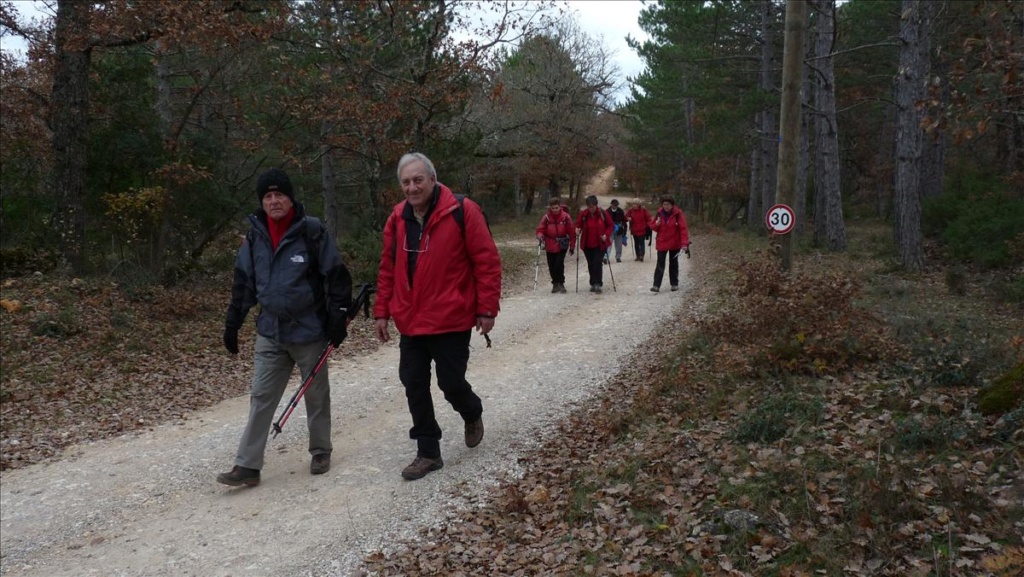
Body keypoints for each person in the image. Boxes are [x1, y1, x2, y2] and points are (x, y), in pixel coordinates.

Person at [218, 167, 353, 487]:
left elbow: (336, 276)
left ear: (291, 198)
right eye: (268, 196)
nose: (274, 200)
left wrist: (339, 316)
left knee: (316, 395)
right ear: (261, 202)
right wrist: (233, 322)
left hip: (310, 330)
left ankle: (321, 449)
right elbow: (243, 283)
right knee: (261, 395)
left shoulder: (312, 231)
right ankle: (247, 465)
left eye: (280, 195)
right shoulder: (254, 238)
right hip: (271, 331)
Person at [374, 152, 502, 481]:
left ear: (432, 179)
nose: (412, 187)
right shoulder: (397, 219)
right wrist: (381, 312)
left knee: (451, 383)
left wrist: (487, 308)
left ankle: (471, 412)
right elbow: (388, 267)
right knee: (413, 383)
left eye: (418, 180)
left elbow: (486, 260)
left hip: (452, 317)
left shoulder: (462, 211)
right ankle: (428, 451)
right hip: (412, 320)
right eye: (406, 182)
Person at [535, 197, 576, 293]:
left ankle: (561, 283)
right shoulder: (547, 217)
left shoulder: (566, 217)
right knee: (551, 265)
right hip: (550, 244)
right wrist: (540, 236)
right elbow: (540, 229)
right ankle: (555, 283)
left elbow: (571, 232)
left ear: (559, 207)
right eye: (552, 208)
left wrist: (572, 245)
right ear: (550, 208)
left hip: (562, 244)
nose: (554, 210)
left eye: (556, 208)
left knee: (559, 263)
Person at [650, 195, 690, 293]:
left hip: (674, 243)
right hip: (662, 242)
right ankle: (656, 285)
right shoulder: (659, 213)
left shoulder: (678, 214)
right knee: (660, 264)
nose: (666, 206)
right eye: (664, 204)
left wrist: (684, 243)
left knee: (673, 264)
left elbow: (683, 229)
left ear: (672, 205)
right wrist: (657, 224)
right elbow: (652, 226)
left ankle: (674, 284)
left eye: (668, 204)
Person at [575, 195, 613, 294]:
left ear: (596, 205)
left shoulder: (603, 213)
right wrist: (577, 229)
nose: (590, 209)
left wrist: (606, 235)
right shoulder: (584, 214)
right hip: (587, 244)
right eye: (589, 206)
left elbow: (610, 225)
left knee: (597, 262)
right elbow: (578, 224)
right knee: (590, 264)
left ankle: (598, 283)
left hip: (600, 243)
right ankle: (592, 283)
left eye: (592, 206)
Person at [625, 198, 653, 262]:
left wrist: (649, 225)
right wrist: (628, 218)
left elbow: (649, 218)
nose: (634, 205)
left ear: (639, 204)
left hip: (642, 229)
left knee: (641, 243)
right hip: (634, 230)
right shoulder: (631, 210)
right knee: (636, 243)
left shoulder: (643, 210)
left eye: (635, 204)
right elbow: (626, 217)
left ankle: (641, 255)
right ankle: (637, 255)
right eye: (633, 204)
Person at [606, 199, 628, 263]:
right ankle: (606, 257)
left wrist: (625, 231)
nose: (615, 206)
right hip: (610, 229)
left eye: (616, 205)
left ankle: (618, 257)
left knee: (618, 245)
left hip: (619, 229)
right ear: (611, 204)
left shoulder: (620, 211)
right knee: (608, 244)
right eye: (614, 205)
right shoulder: (607, 211)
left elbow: (624, 221)